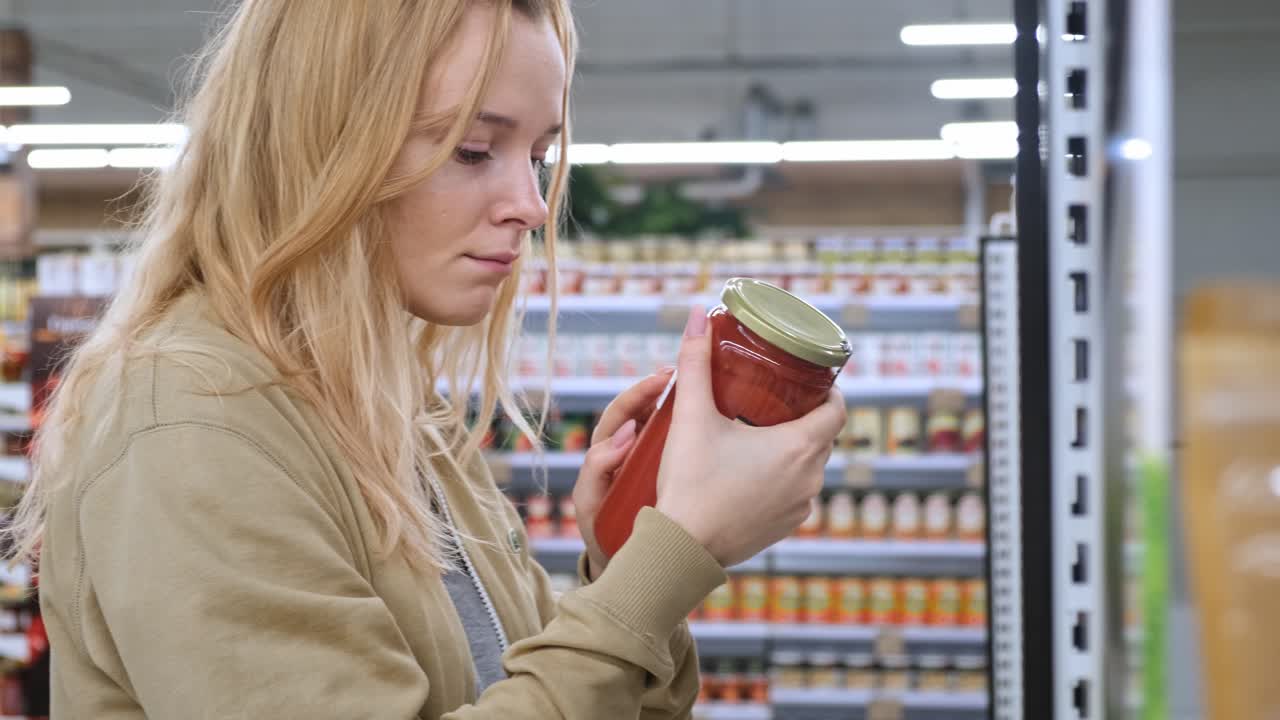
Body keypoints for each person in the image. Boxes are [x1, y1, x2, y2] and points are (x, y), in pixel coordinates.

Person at [7, 1, 845, 718]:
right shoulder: (192, 421)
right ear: (322, 146)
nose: (529, 205)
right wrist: (669, 562)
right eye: (474, 151)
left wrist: (635, 559)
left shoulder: (383, 401)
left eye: (541, 156)